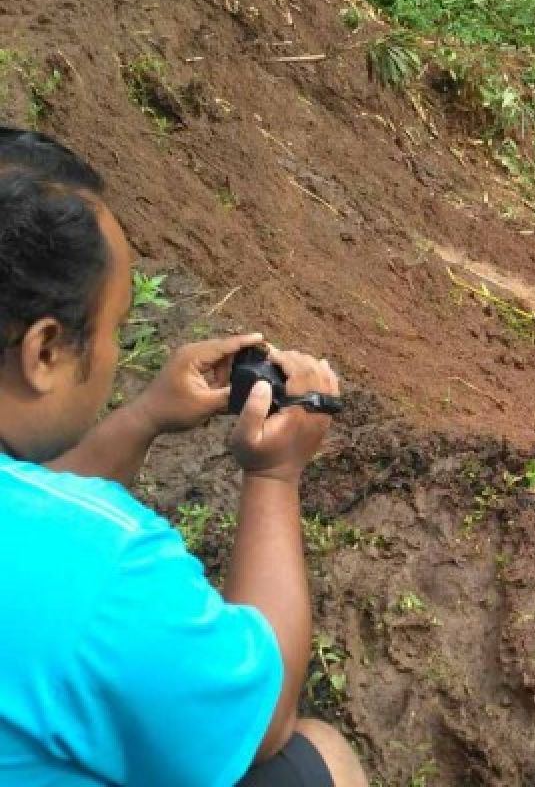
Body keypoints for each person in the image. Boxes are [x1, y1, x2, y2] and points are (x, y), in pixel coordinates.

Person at [0, 130, 366, 786]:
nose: (115, 353)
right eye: (116, 326)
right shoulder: (100, 568)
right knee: (317, 757)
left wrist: (144, 418)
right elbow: (265, 717)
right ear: (46, 350)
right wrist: (275, 475)